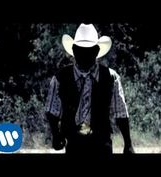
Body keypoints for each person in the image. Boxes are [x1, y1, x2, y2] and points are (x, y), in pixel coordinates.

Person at [45, 23, 134, 157]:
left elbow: (121, 113)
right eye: (81, 51)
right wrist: (56, 135)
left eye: (89, 51)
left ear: (96, 51)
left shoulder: (111, 77)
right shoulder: (60, 78)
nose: (84, 55)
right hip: (74, 145)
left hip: (102, 144)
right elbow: (52, 111)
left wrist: (128, 144)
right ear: (74, 51)